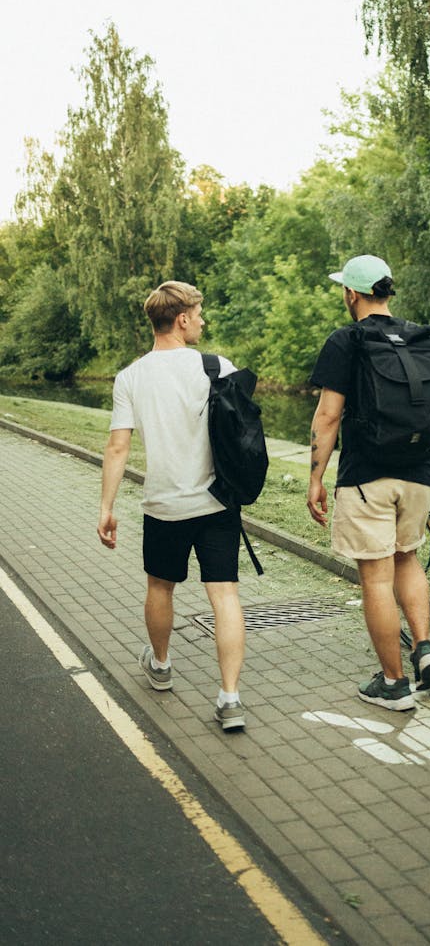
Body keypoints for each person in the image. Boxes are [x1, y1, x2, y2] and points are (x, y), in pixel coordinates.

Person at [97, 281, 247, 731]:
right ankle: (230, 699)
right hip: (217, 503)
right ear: (181, 318)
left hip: (163, 507)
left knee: (160, 587)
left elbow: (117, 448)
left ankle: (160, 666)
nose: (203, 320)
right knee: (224, 595)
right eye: (199, 313)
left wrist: (106, 506)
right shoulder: (217, 367)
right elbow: (242, 435)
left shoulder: (131, 377)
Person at [306, 254, 430, 711]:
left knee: (376, 579)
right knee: (409, 560)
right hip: (421, 471)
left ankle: (394, 683)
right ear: (386, 292)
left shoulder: (347, 340)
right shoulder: (418, 336)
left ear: (352, 293)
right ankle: (424, 648)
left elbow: (328, 417)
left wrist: (315, 479)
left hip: (369, 476)